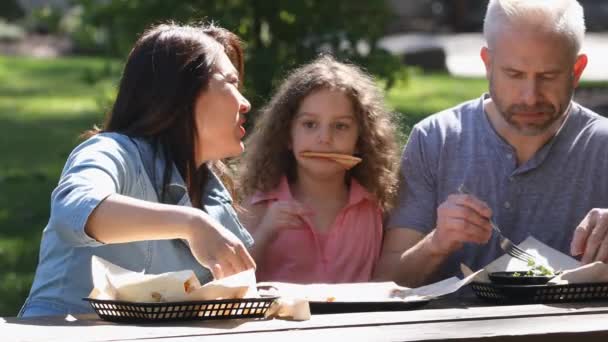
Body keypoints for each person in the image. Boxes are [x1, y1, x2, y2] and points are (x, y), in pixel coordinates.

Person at [19, 22, 256, 317]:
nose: (245, 103)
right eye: (231, 83)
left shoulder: (213, 197)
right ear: (183, 92)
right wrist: (190, 223)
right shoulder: (112, 151)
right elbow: (72, 210)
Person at [374, 0, 608, 287]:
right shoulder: (436, 139)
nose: (530, 96)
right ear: (487, 64)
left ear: (577, 70)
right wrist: (437, 243)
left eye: (548, 77)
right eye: (514, 75)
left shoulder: (602, 145)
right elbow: (387, 280)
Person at [237, 55, 400, 283]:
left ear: (361, 140)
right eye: (310, 124)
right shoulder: (258, 206)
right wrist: (266, 232)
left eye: (340, 126)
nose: (324, 138)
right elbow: (231, 281)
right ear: (287, 135)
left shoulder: (379, 207)